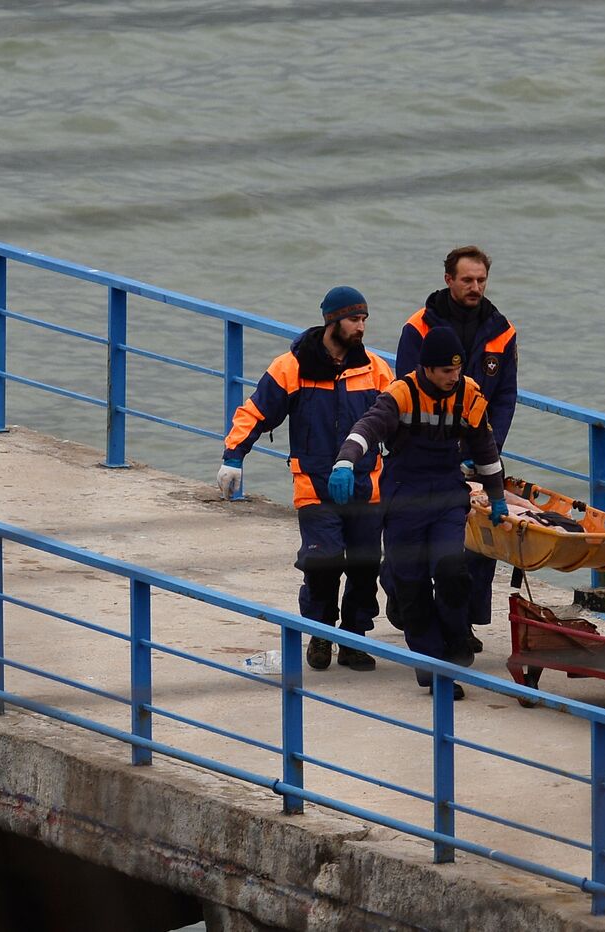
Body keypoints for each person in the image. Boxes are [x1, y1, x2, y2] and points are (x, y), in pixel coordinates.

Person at [218, 286, 394, 672]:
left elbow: (395, 425)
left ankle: (353, 639)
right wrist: (234, 455)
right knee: (323, 561)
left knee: (366, 566)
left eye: (364, 319)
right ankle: (320, 634)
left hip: (367, 484)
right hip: (313, 484)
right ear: (332, 320)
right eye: (354, 319)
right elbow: (257, 412)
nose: (361, 327)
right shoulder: (291, 367)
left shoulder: (376, 370)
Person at [330, 326, 508, 700]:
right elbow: (366, 428)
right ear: (427, 368)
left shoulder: (469, 395)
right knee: (411, 587)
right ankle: (431, 667)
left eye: (457, 370)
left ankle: (455, 637)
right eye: (446, 371)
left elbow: (485, 448)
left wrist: (497, 496)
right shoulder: (402, 394)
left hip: (445, 494)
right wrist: (345, 463)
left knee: (451, 569)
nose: (453, 377)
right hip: (403, 497)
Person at [391, 245, 517, 651]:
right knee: (420, 550)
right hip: (425, 453)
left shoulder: (503, 331)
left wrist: (487, 451)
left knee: (478, 547)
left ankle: (463, 624)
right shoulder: (418, 328)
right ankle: (399, 591)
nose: (475, 287)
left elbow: (505, 397)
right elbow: (406, 391)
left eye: (481, 280)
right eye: (467, 280)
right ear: (448, 280)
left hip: (479, 451)